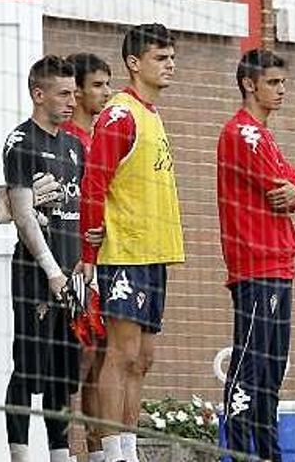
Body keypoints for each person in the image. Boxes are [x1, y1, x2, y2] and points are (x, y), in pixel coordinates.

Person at [80, 24, 184, 462]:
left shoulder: (152, 115)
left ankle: (130, 446)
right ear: (134, 63)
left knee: (143, 358)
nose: (170, 65)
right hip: (123, 253)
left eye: (172, 57)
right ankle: (111, 453)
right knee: (120, 355)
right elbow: (93, 184)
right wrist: (88, 257)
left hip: (154, 252)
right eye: (161, 58)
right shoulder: (121, 114)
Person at [217, 48, 295, 462]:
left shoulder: (264, 135)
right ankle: (238, 453)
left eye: (283, 83)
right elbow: (281, 184)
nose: (281, 90)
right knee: (249, 368)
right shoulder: (243, 134)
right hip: (256, 265)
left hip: (278, 265)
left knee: (271, 375)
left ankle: (269, 454)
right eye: (273, 83)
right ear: (248, 84)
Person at [3, 55, 84, 462]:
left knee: (61, 375)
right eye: (64, 93)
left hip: (74, 276)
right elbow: (21, 216)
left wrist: (85, 267)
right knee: (28, 369)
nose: (73, 101)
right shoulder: (21, 142)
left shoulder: (73, 146)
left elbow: (80, 211)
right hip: (37, 275)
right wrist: (52, 271)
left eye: (74, 93)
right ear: (39, 94)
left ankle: (61, 455)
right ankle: (20, 456)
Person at [62, 52, 112, 462]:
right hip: (73, 265)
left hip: (107, 263)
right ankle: (61, 449)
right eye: (97, 85)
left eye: (107, 84)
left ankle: (97, 453)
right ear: (75, 90)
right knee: (76, 362)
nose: (105, 93)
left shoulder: (102, 139)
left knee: (103, 361)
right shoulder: (64, 141)